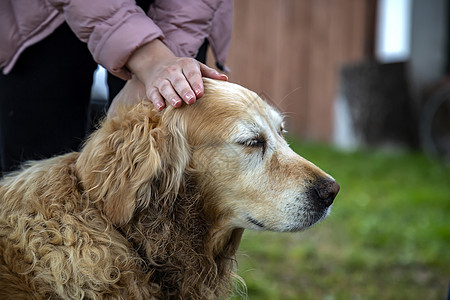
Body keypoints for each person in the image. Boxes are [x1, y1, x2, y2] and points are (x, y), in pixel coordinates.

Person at [0, 0, 232, 173]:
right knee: (36, 184)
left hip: (183, 15)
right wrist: (150, 59)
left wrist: (165, 66)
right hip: (40, 19)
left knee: (167, 186)